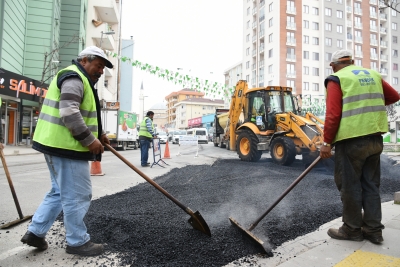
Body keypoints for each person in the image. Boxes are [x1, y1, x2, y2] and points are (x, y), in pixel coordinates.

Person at [20, 46, 113, 256]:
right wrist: (90, 141)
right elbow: (69, 111)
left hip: (55, 144)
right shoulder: (74, 77)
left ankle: (35, 232)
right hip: (66, 147)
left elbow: (83, 111)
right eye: (98, 66)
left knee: (59, 191)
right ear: (85, 60)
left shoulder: (80, 79)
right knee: (78, 195)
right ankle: (77, 241)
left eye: (102, 69)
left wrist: (101, 134)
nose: (100, 71)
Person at [320, 50, 400, 244]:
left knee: (350, 186)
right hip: (375, 139)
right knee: (371, 185)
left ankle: (352, 229)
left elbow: (332, 115)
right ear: (353, 62)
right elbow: (394, 95)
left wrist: (326, 142)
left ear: (333, 65)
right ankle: (373, 230)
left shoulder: (336, 79)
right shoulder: (372, 75)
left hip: (351, 140)